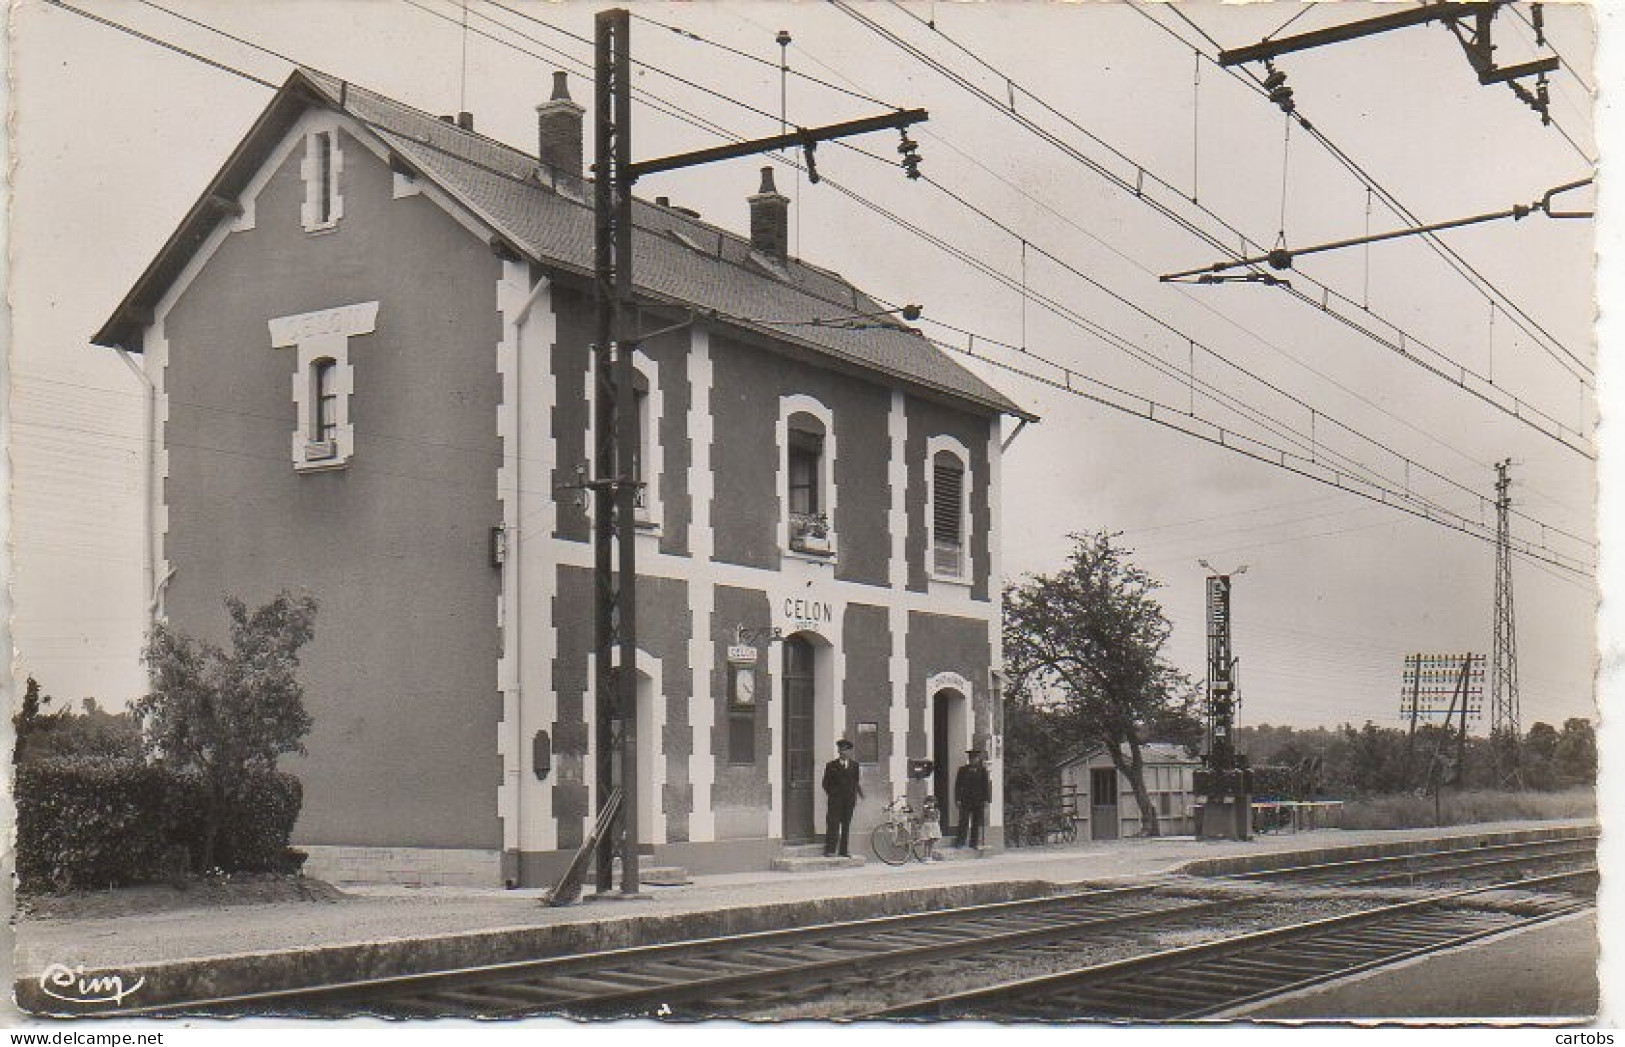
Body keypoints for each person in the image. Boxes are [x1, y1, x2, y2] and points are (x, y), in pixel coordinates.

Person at [821, 739, 863, 857]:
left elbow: (856, 782)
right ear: (838, 751)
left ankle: (844, 851)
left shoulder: (855, 765)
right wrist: (833, 795)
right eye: (841, 750)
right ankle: (830, 850)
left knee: (846, 826)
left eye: (845, 750)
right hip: (835, 801)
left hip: (849, 802)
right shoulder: (831, 765)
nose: (843, 752)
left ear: (850, 752)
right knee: (833, 824)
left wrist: (854, 796)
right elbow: (825, 783)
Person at [954, 747, 992, 849]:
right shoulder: (962, 770)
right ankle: (960, 842)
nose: (972, 760)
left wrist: (986, 800)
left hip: (978, 800)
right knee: (963, 821)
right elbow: (958, 785)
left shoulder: (983, 771)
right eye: (971, 758)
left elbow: (986, 786)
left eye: (975, 758)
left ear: (978, 759)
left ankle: (974, 843)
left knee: (976, 822)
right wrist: (957, 799)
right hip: (965, 799)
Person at [917, 795, 944, 861]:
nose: (931, 804)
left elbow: (938, 818)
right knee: (926, 841)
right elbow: (922, 818)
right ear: (926, 803)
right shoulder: (925, 810)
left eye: (932, 802)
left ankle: (930, 856)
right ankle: (925, 856)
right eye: (929, 802)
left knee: (931, 842)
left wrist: (936, 823)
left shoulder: (936, 810)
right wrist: (920, 825)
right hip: (927, 826)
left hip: (933, 826)